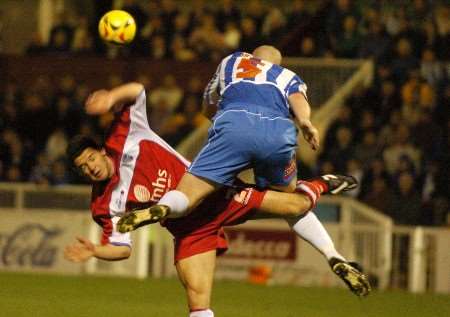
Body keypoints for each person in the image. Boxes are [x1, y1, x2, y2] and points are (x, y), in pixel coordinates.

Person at [64, 82, 370, 317]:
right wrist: (95, 251)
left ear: (101, 151)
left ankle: (318, 185)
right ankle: (314, 194)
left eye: (90, 158)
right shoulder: (103, 205)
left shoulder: (125, 134)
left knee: (296, 206)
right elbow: (121, 250)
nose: (90, 168)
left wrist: (110, 97)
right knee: (197, 299)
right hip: (189, 230)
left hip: (215, 193)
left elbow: (138, 91)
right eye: (83, 168)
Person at [118, 45, 322, 228]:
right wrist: (305, 121)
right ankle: (324, 234)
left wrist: (225, 125)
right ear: (277, 63)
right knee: (288, 191)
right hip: (277, 130)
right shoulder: (288, 75)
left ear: (252, 56)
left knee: (187, 194)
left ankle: (164, 208)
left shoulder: (232, 61)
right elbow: (297, 99)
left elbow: (207, 105)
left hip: (234, 122)